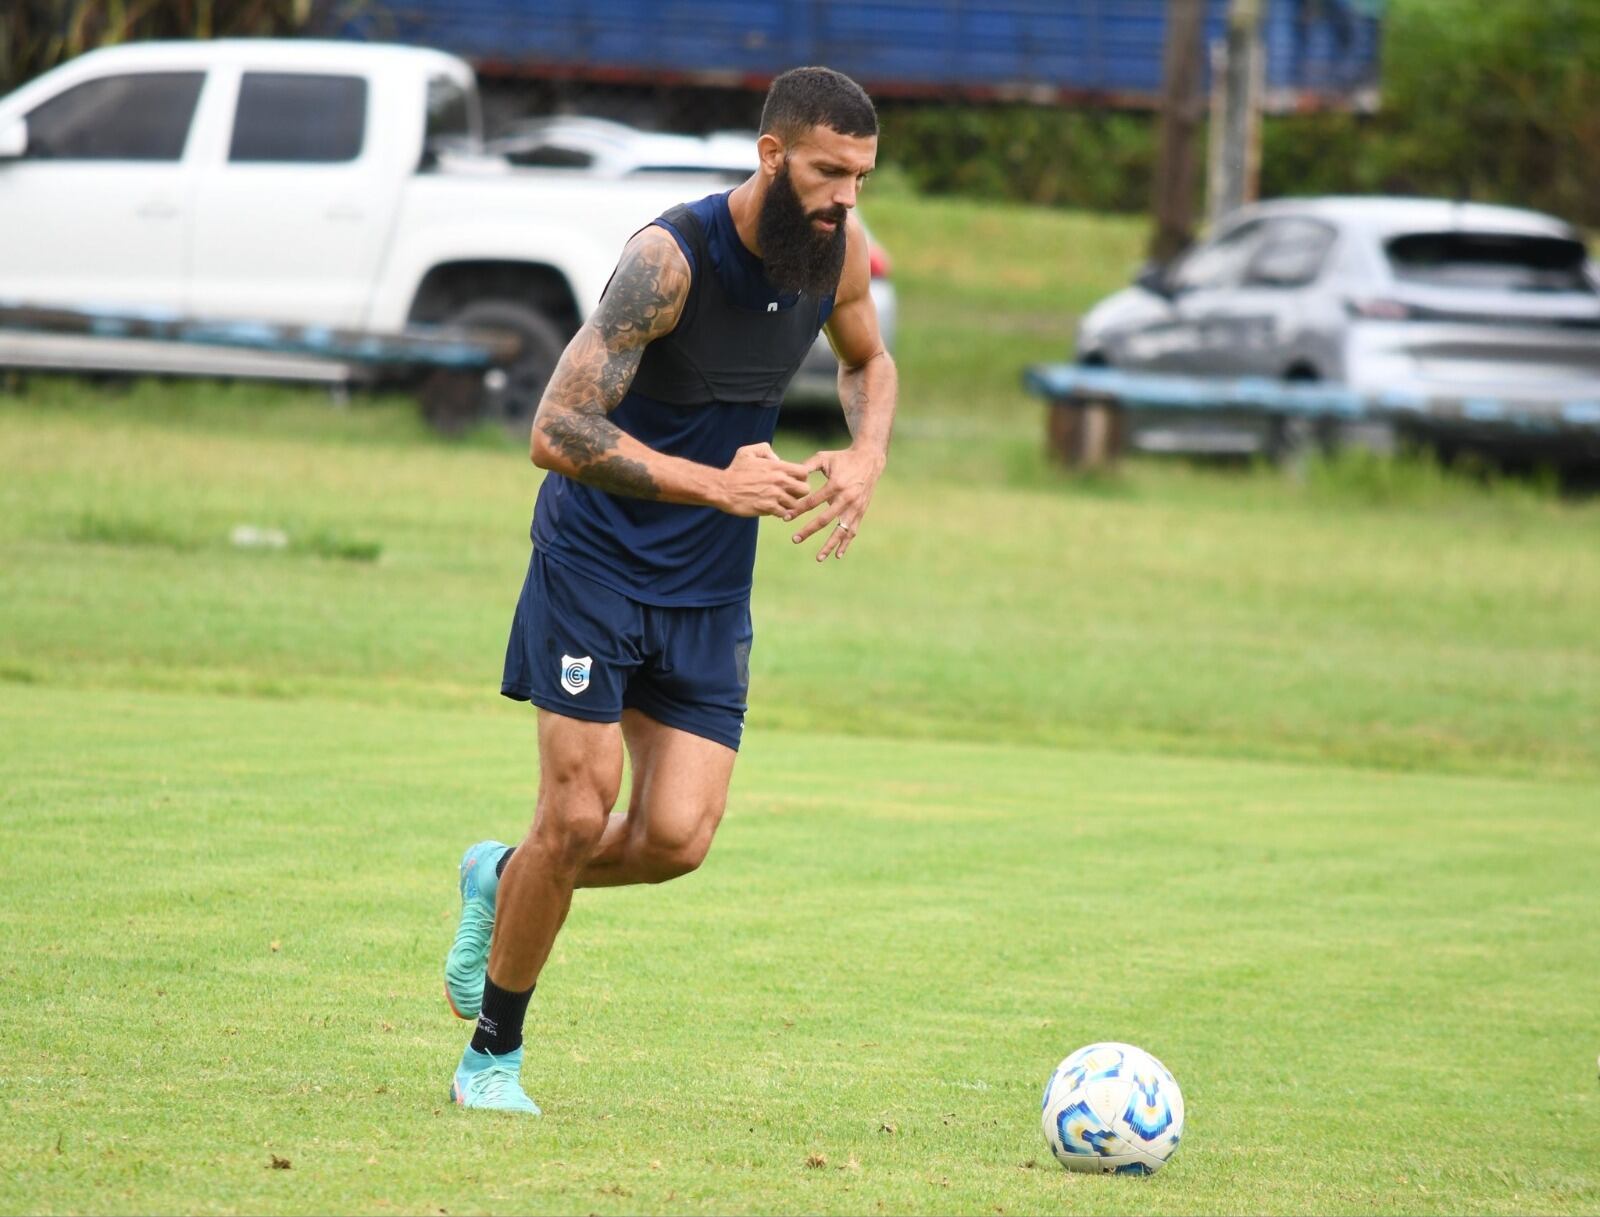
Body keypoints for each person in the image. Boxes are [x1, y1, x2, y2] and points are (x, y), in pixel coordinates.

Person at [443, 66, 897, 1113]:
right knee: (578, 808)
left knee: (675, 838)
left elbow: (869, 362)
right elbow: (555, 430)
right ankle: (491, 1057)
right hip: (594, 567)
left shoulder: (836, 259)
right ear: (772, 156)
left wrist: (865, 454)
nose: (847, 198)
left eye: (863, 177)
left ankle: (498, 875)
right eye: (830, 172)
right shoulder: (667, 259)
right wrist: (718, 482)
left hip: (704, 590)